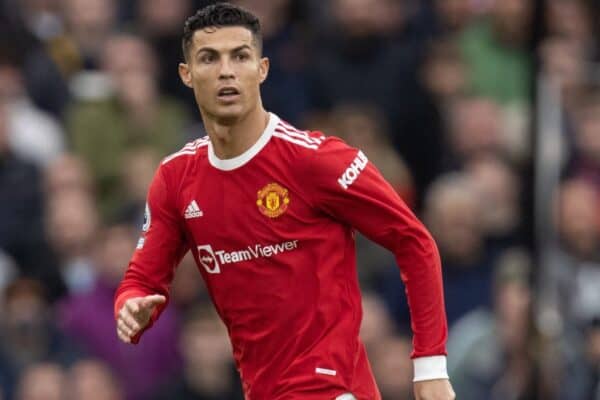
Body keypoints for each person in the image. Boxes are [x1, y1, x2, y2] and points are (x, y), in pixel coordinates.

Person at [114, 3, 455, 400]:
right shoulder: (176, 179)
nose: (227, 71)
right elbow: (142, 279)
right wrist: (132, 305)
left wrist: (430, 367)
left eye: (240, 56)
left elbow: (414, 241)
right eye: (210, 58)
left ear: (262, 69)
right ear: (186, 75)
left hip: (332, 388)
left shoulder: (315, 160)